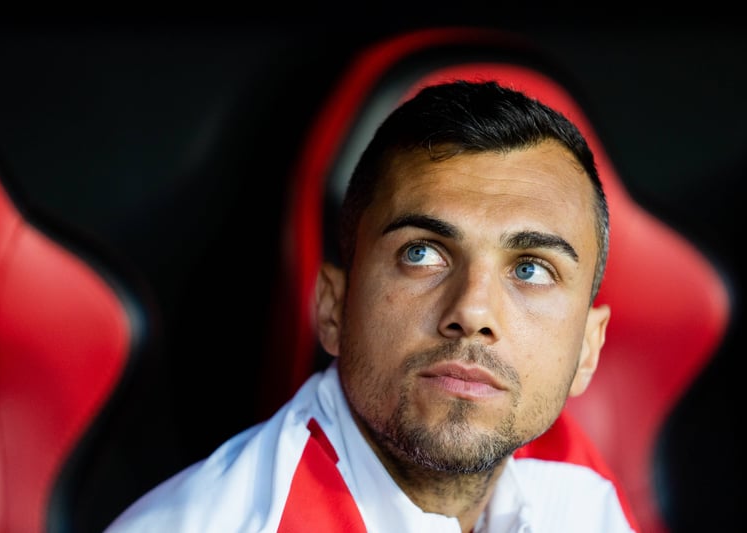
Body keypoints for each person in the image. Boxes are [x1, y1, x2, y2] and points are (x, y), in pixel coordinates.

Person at [105, 79, 637, 532]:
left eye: (531, 269)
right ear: (333, 307)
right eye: (421, 253)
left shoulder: (580, 491)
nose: (473, 312)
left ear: (588, 349)